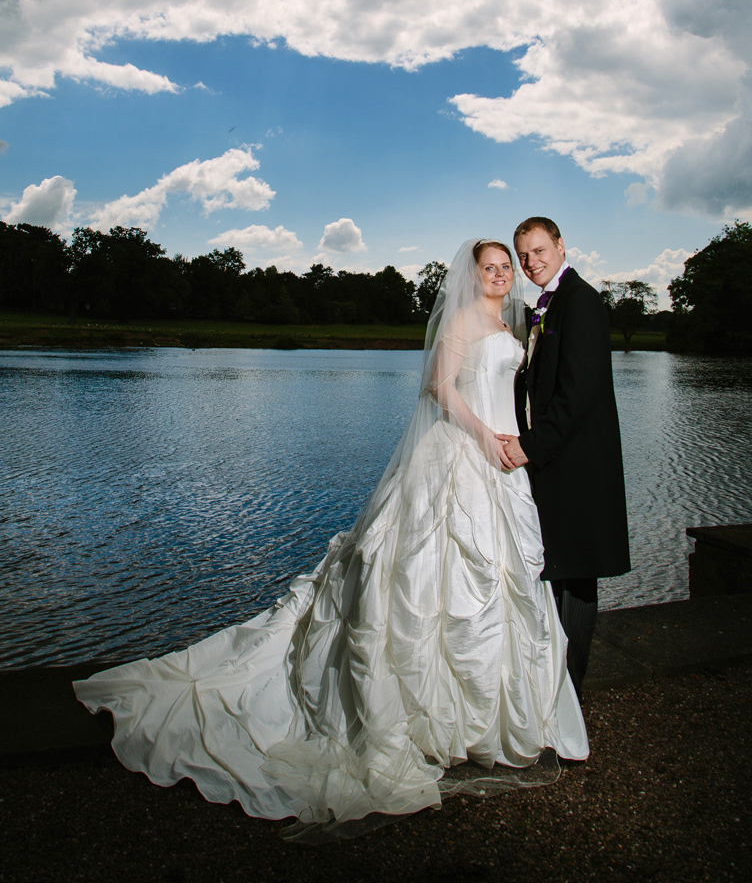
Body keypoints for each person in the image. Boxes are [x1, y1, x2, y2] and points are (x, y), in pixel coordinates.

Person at [75, 239, 588, 837]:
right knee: (428, 579)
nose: (501, 274)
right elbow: (438, 389)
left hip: (505, 464)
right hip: (463, 453)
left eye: (507, 266)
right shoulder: (463, 318)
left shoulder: (518, 319)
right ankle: (429, 721)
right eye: (491, 267)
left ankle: (491, 722)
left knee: (498, 585)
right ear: (472, 276)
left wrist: (516, 443)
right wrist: (483, 435)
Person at [499, 218, 631, 698]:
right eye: (524, 255)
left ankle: (569, 694)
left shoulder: (582, 302)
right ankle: (551, 686)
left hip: (579, 468)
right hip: (555, 466)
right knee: (556, 572)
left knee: (576, 578)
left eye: (539, 250)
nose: (531, 262)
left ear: (559, 245)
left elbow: (577, 393)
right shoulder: (546, 306)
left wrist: (529, 447)